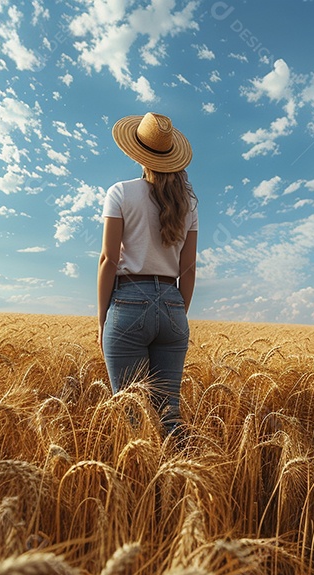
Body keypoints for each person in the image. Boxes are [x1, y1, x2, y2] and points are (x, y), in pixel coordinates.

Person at [97, 112, 198, 440]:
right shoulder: (189, 205)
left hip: (127, 302)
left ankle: (140, 489)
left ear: (137, 153)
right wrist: (175, 311)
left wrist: (104, 321)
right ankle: (181, 486)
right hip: (172, 305)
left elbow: (108, 259)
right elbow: (189, 268)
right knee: (169, 419)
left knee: (132, 422)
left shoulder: (121, 193)